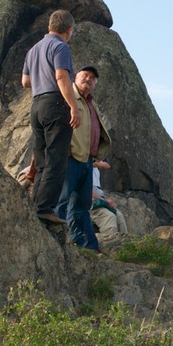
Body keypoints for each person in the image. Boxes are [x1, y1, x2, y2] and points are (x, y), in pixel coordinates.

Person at [21, 9, 82, 224]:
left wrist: (40, 77)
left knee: (41, 160)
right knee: (56, 160)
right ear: (68, 30)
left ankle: (36, 206)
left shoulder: (33, 50)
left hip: (37, 105)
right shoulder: (60, 46)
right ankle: (45, 208)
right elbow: (61, 76)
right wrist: (73, 106)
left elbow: (25, 82)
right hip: (55, 104)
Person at [56, 65, 111, 252]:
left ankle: (88, 248)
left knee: (81, 206)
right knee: (61, 202)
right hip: (70, 157)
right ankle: (55, 243)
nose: (88, 79)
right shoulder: (68, 95)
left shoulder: (90, 103)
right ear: (75, 76)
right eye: (85, 75)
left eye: (92, 78)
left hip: (87, 160)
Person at [90, 165, 128, 235]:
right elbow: (86, 190)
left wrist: (105, 201)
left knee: (119, 215)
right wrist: (104, 201)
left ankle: (125, 243)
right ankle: (110, 243)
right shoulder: (83, 167)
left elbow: (106, 165)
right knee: (109, 216)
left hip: (98, 200)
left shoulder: (94, 169)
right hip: (89, 204)